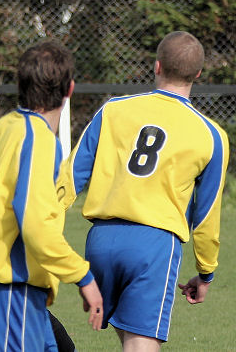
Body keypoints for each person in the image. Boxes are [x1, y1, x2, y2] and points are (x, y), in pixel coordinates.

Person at [59, 31, 228, 351]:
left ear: (157, 65)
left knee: (128, 339)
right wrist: (205, 273)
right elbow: (206, 215)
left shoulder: (113, 109)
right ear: (199, 74)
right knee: (140, 345)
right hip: (153, 246)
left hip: (101, 242)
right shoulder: (211, 135)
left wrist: (41, 220)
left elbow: (71, 175)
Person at [0, 41, 103, 351]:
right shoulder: (37, 140)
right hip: (13, 290)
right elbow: (35, 224)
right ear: (70, 90)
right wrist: (84, 277)